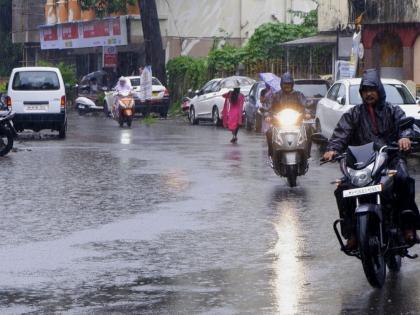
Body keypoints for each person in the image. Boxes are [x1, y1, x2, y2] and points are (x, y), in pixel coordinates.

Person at [323, 68, 420, 248]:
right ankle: (352, 233)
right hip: (363, 163)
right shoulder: (354, 114)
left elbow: (405, 125)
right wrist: (333, 149)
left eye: (372, 90)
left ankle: (408, 227)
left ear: (379, 90)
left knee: (403, 178)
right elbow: (340, 134)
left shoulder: (393, 110)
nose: (368, 94)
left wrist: (404, 137)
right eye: (365, 91)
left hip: (390, 158)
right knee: (342, 189)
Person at [266, 72, 310, 158]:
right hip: (279, 123)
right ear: (281, 84)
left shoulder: (298, 95)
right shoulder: (276, 95)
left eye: (289, 84)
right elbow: (268, 107)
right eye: (285, 84)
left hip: (296, 122)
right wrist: (267, 115)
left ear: (292, 84)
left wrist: (308, 113)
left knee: (308, 129)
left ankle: (307, 153)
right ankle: (271, 153)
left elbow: (306, 105)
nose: (287, 86)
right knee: (269, 132)